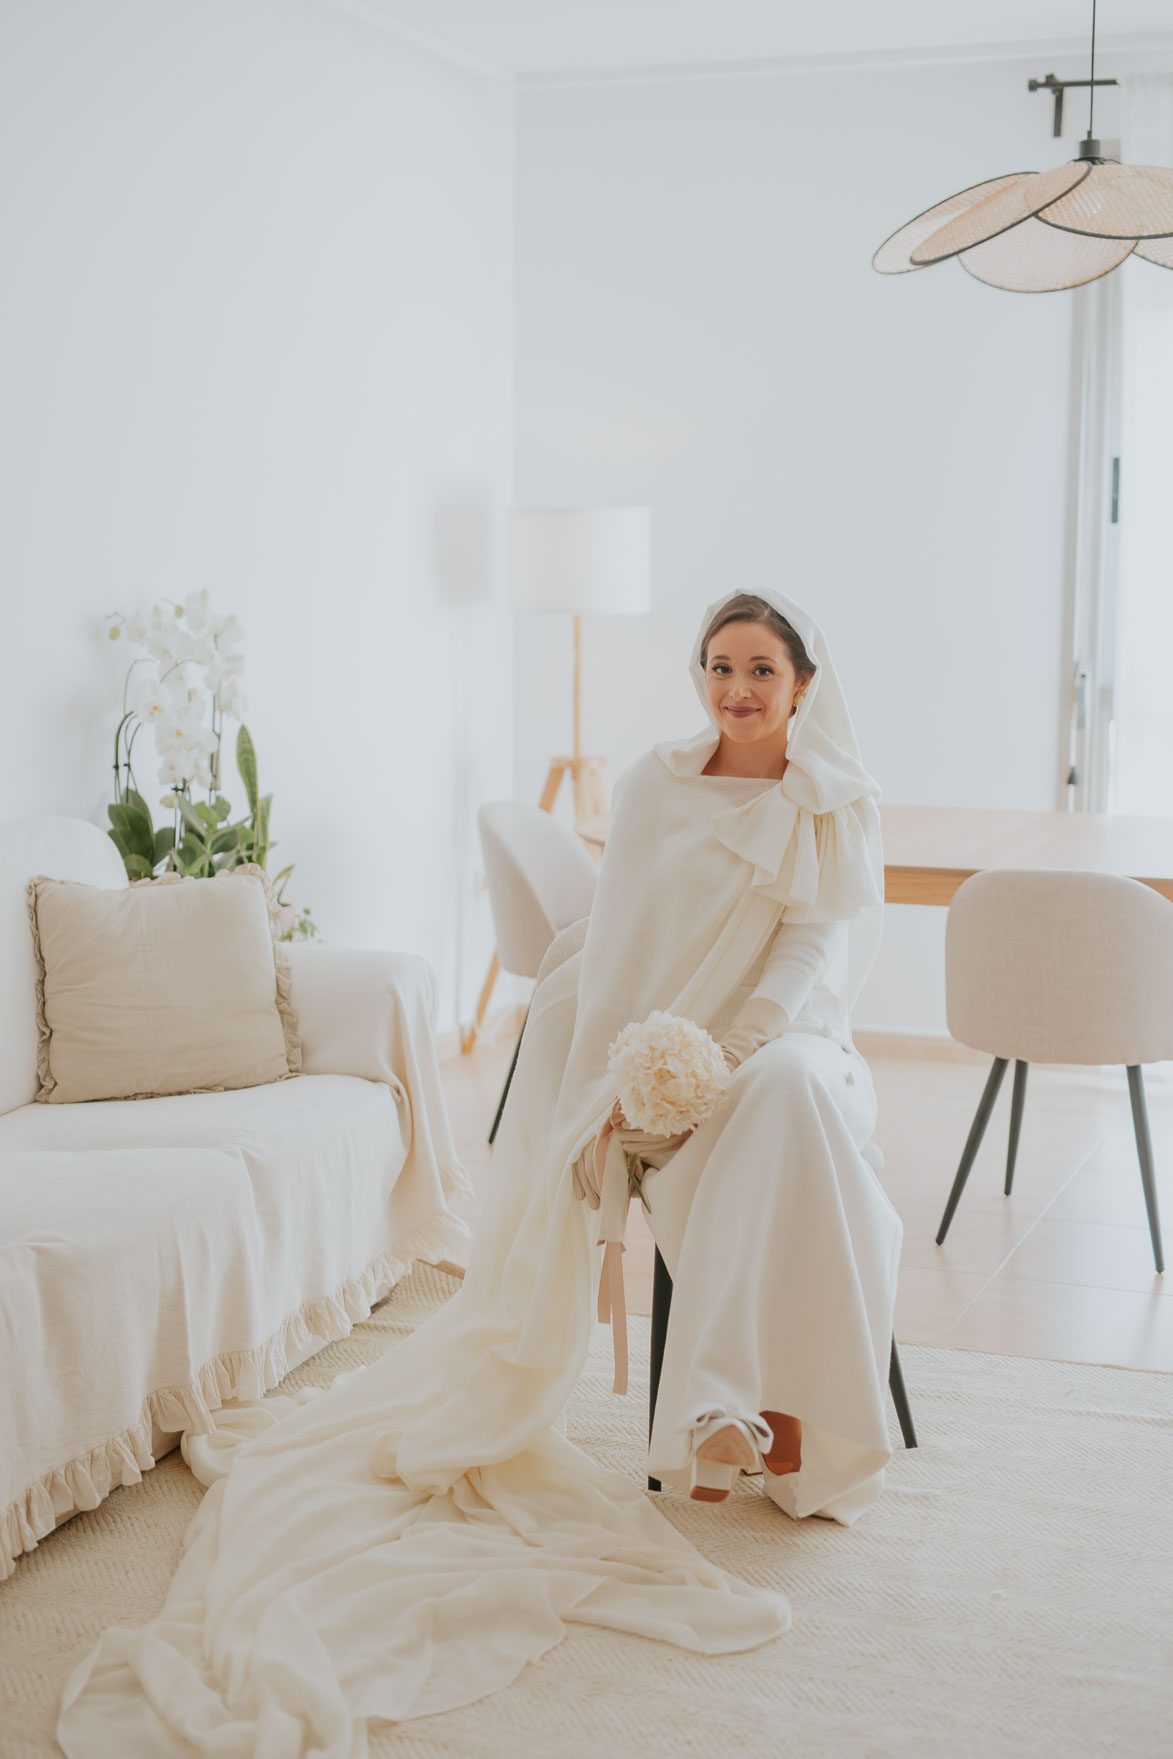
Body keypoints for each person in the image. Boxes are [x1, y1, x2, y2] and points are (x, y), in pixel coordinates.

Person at [58, 587, 902, 1757]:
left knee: (793, 1100)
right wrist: (630, 1084)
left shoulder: (833, 798)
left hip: (788, 1031)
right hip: (659, 1032)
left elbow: (814, 945)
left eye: (763, 669)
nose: (739, 689)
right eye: (720, 666)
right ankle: (733, 1403)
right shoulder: (658, 784)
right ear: (698, 675)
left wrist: (736, 1048)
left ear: (803, 683)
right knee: (750, 1127)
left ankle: (742, 1400)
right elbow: (625, 951)